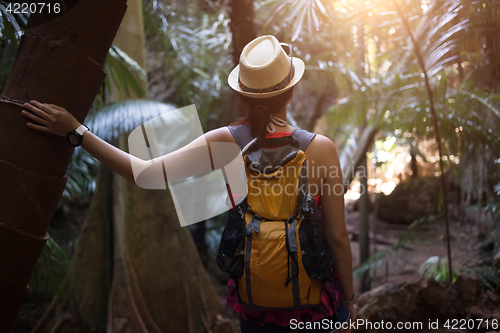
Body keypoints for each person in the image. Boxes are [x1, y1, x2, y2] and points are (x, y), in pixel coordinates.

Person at [20, 35, 355, 333]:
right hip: (318, 304)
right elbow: (338, 237)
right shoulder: (320, 148)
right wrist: (350, 302)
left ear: (243, 95)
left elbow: (145, 173)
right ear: (292, 93)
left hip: (258, 300)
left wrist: (78, 132)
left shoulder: (225, 142)